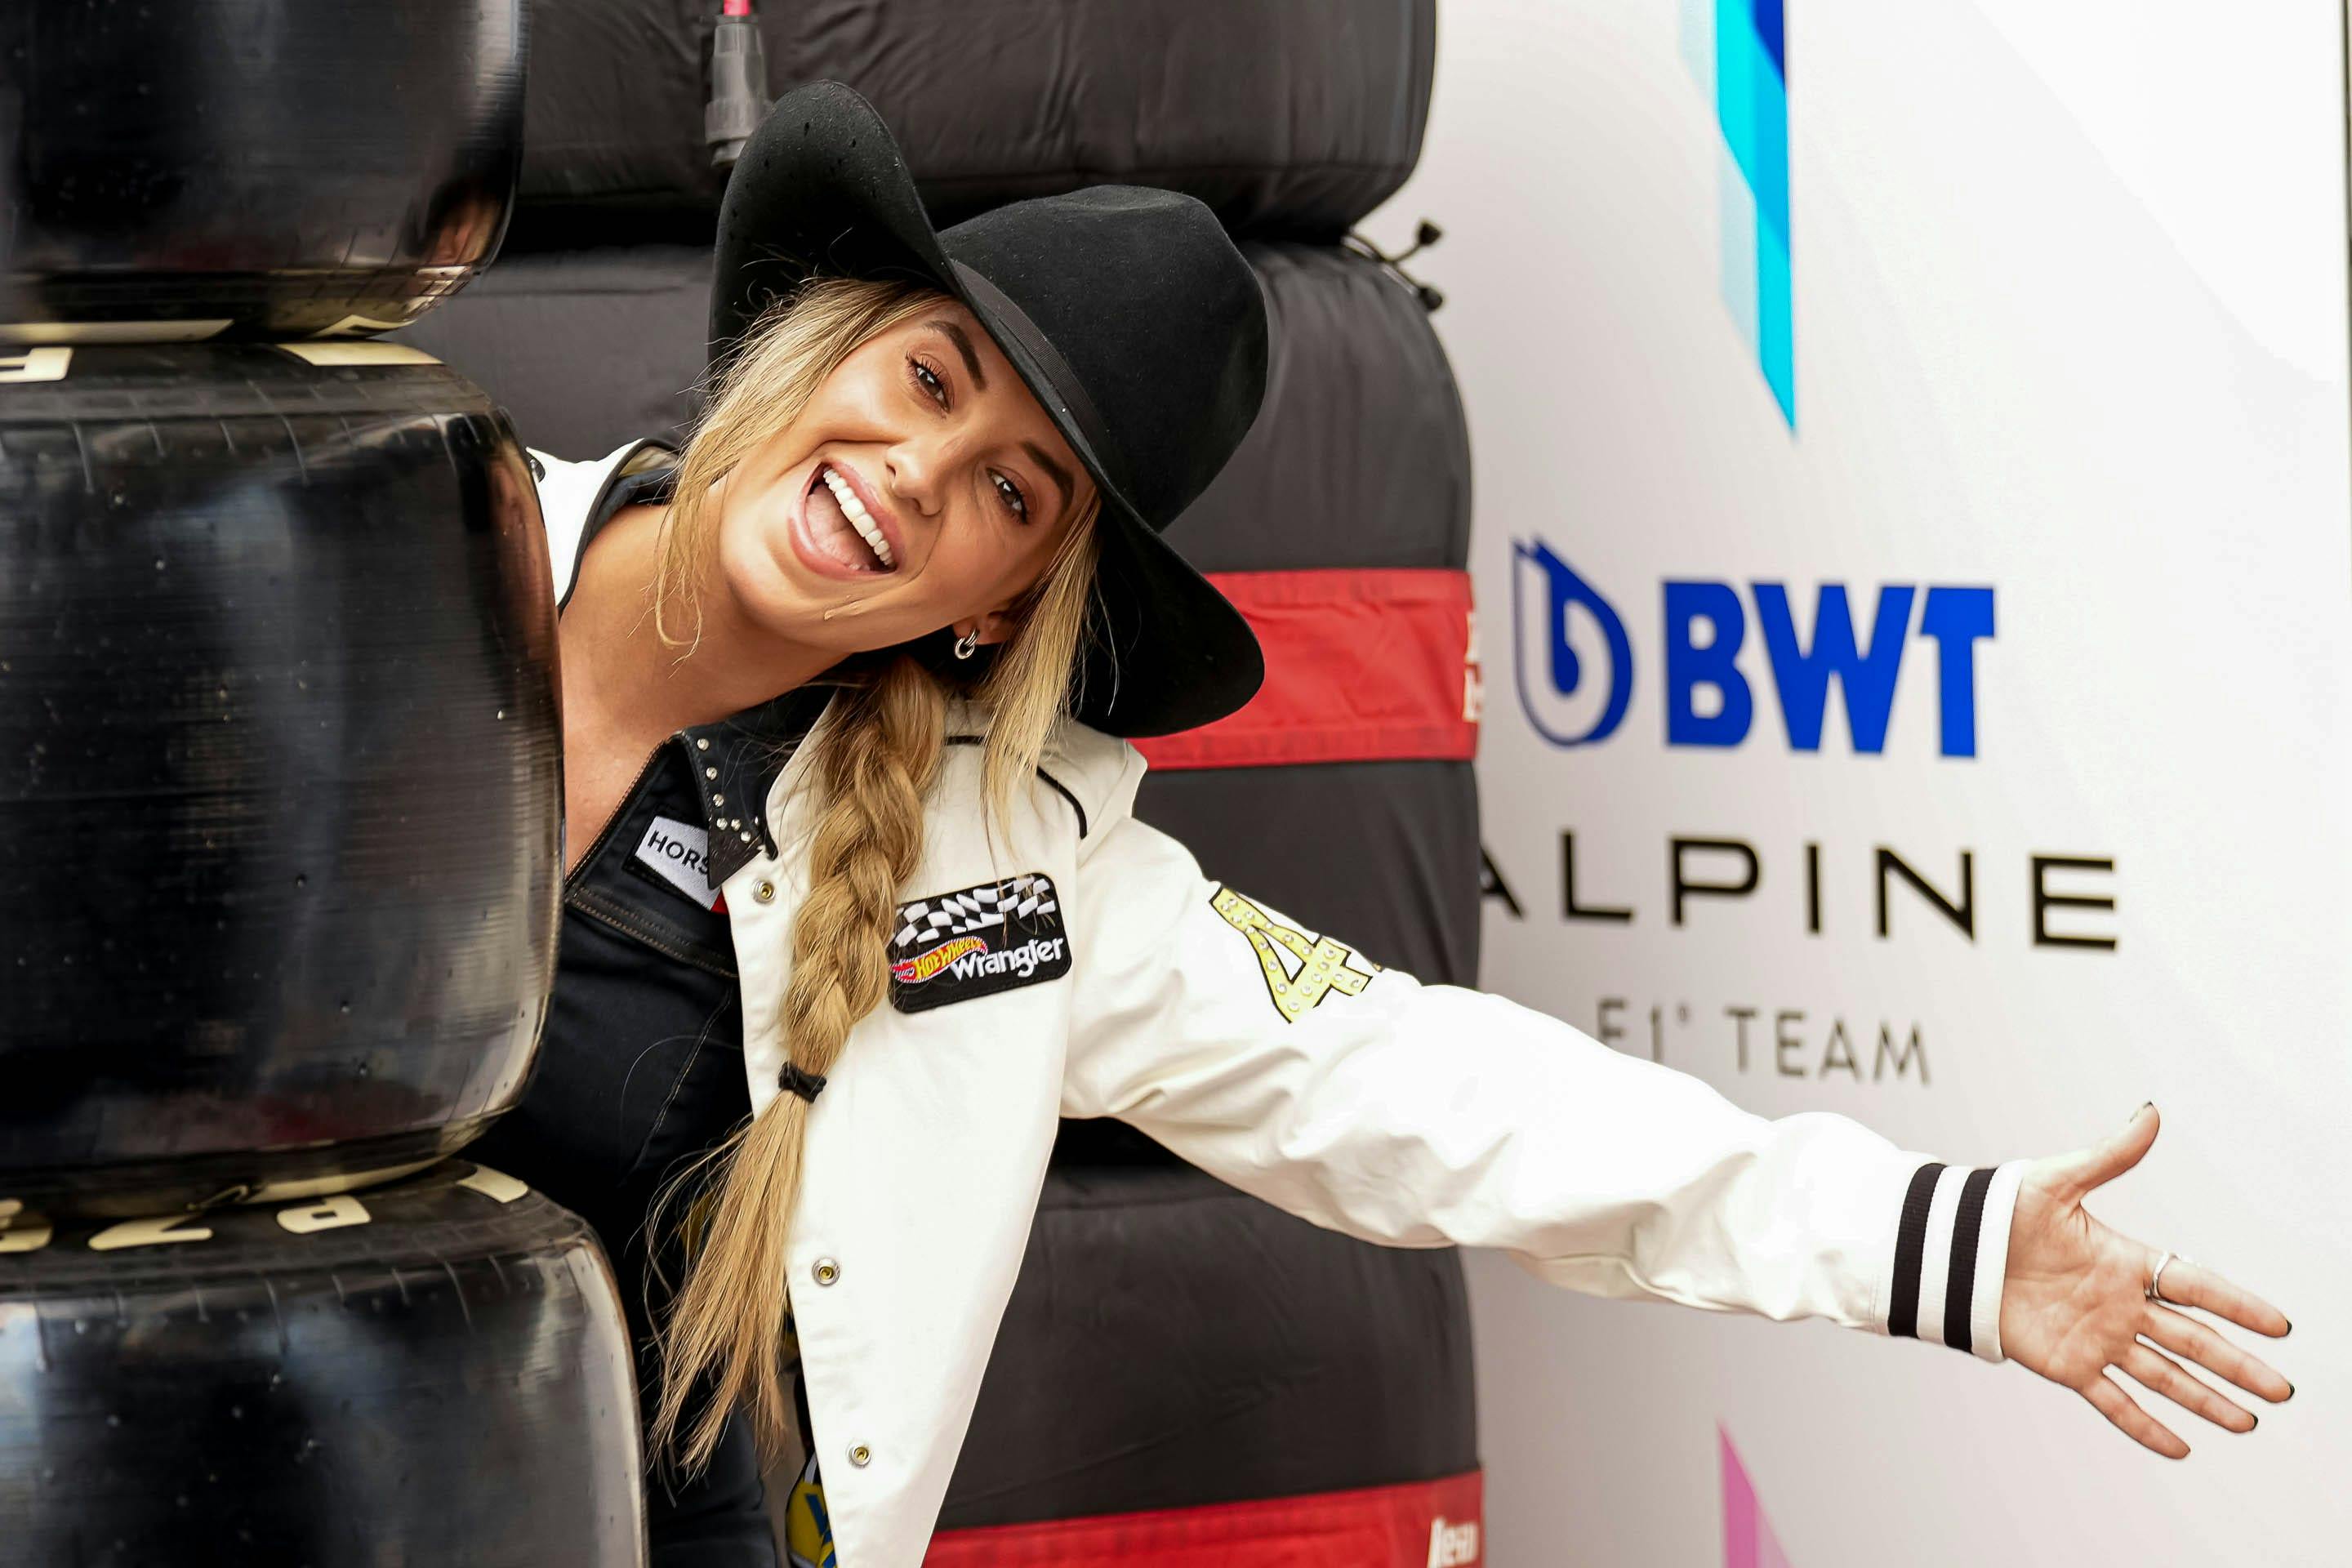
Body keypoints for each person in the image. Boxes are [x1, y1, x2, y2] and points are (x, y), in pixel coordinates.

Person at [467, 81, 2293, 1568]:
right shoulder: (392, 560)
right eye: (932, 379)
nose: (916, 476)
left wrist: (1942, 1241)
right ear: (830, 341)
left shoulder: (1008, 876)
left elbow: (1424, 1094)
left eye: (1008, 490)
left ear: (999, 608)